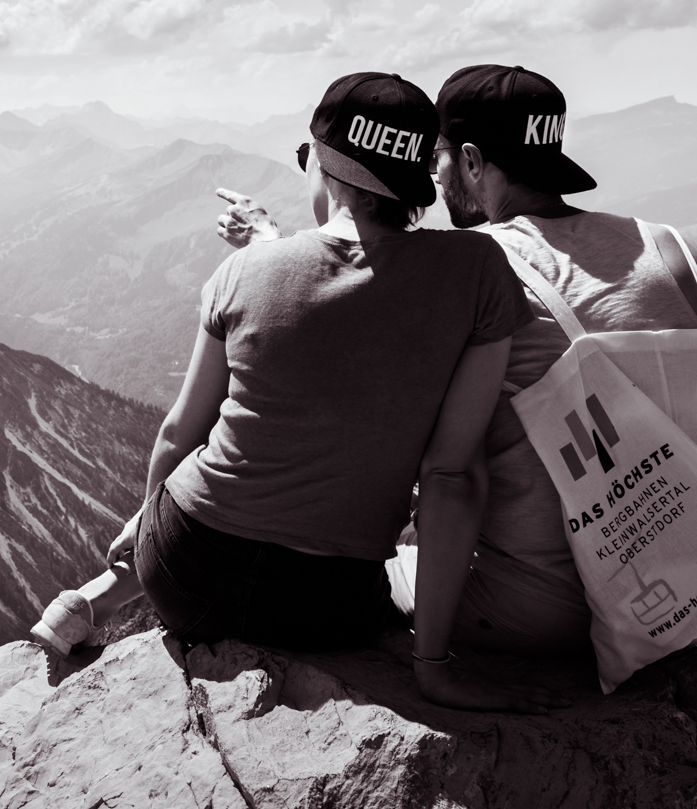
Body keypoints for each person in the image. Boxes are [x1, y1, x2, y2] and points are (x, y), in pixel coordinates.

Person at [31, 72, 565, 713]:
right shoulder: (477, 273)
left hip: (186, 576)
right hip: (329, 611)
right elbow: (452, 474)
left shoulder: (244, 271)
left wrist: (149, 532)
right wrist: (433, 666)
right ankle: (89, 601)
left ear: (328, 167)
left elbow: (180, 435)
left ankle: (87, 602)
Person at [216, 64, 697, 658]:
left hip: (535, 609)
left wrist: (268, 251)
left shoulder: (472, 268)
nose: (432, 175)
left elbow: (329, 326)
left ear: (475, 162)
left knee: (319, 572)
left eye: (438, 157)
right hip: (684, 587)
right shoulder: (677, 252)